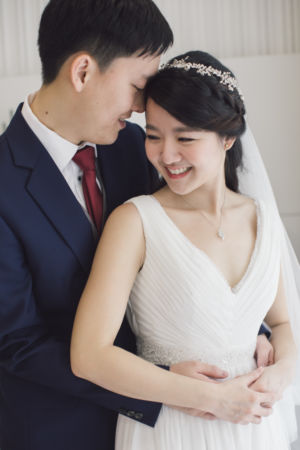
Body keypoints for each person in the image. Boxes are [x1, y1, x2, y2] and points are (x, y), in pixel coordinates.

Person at [0, 0, 272, 448]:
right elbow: (19, 343)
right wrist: (162, 388)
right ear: (83, 72)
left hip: (177, 426)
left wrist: (244, 328)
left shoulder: (138, 146)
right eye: (138, 85)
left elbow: (190, 240)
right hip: (62, 429)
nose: (145, 105)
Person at [70, 50, 300, 449]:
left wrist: (283, 371)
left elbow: (281, 323)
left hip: (258, 427)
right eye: (154, 136)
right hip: (173, 429)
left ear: (228, 137)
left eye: (186, 138)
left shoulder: (262, 216)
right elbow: (89, 354)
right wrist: (212, 398)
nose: (166, 155)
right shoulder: (134, 222)